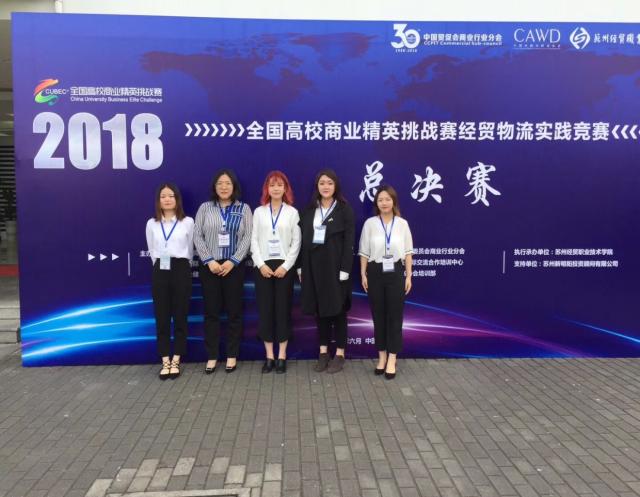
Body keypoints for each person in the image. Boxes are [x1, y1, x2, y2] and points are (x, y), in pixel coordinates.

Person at [194, 169, 252, 374]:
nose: (224, 187)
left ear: (234, 186)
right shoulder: (205, 208)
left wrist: (233, 261)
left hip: (233, 267)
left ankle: (231, 355)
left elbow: (248, 237)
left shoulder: (244, 208)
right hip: (210, 267)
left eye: (228, 183)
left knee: (234, 312)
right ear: (214, 187)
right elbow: (197, 236)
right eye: (220, 183)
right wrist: (209, 260)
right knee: (211, 313)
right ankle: (212, 356)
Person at [298, 169, 355, 373]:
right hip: (313, 268)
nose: (326, 186)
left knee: (338, 311)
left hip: (336, 269)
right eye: (322, 183)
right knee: (320, 311)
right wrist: (300, 267)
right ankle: (323, 352)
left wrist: (345, 269)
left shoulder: (344, 210)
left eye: (330, 183)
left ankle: (339, 354)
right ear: (317, 186)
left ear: (335, 186)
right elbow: (302, 241)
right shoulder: (309, 211)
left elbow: (349, 242)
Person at [358, 186, 413, 379]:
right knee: (378, 316)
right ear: (376, 203)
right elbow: (364, 252)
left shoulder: (402, 224)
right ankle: (381, 356)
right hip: (375, 272)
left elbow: (408, 252)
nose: (384, 203)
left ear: (393, 201)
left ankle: (392, 358)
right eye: (380, 199)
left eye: (388, 199)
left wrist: (408, 276)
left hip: (396, 272)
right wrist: (363, 274)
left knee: (395, 317)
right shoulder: (370, 224)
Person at [251, 171, 301, 374]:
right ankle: (269, 356)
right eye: (272, 185)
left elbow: (296, 242)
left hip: (284, 268)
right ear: (267, 189)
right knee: (265, 311)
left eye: (280, 185)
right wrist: (260, 264)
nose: (276, 188)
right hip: (263, 266)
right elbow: (253, 240)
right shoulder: (259, 212)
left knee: (282, 310)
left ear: (285, 188)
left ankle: (282, 356)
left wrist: (286, 266)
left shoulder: (292, 212)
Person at [145, 183, 194, 380]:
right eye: (163, 196)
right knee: (162, 316)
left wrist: (180, 265)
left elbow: (190, 249)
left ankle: (176, 359)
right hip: (160, 269)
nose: (167, 199)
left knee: (180, 315)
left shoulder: (187, 222)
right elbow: (152, 250)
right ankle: (165, 359)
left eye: (171, 196)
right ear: (158, 200)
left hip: (181, 268)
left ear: (177, 199)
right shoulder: (152, 224)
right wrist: (161, 265)